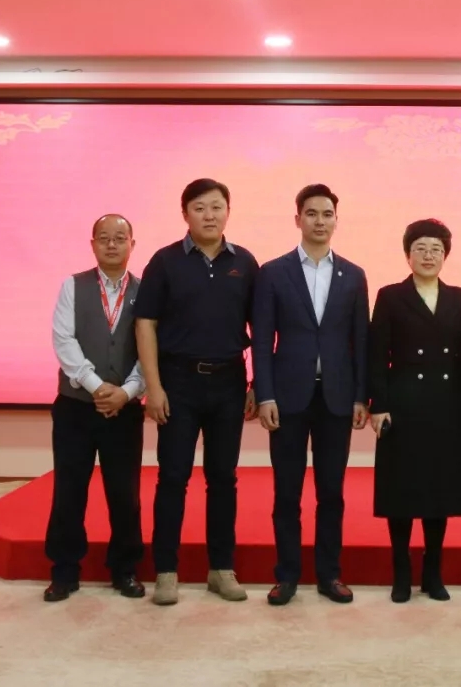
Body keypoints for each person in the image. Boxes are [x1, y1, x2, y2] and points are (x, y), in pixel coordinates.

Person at [134, 178, 259, 606]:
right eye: (200, 207)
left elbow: (260, 327)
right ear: (185, 213)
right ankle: (166, 572)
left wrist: (257, 384)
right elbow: (145, 324)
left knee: (224, 478)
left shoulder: (245, 262)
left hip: (229, 383)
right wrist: (154, 387)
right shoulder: (165, 261)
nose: (209, 215)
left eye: (217, 207)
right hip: (178, 383)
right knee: (173, 477)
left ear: (228, 212)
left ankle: (221, 569)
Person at [251, 184, 370, 606]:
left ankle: (329, 574)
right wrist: (264, 395)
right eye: (312, 213)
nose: (320, 221)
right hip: (287, 398)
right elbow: (262, 340)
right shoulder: (273, 272)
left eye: (327, 214)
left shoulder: (353, 275)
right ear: (298, 218)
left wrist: (361, 397)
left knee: (331, 492)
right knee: (287, 492)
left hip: (336, 398)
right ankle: (286, 576)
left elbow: (360, 340)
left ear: (336, 220)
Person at [368, 219, 461, 603]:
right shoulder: (390, 296)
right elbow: (376, 355)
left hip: (447, 406)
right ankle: (401, 571)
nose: (429, 256)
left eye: (436, 250)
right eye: (421, 249)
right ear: (407, 254)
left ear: (445, 256)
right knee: (402, 490)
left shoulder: (459, 298)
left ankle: (433, 572)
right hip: (402, 407)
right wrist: (378, 404)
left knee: (438, 490)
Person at [44, 214, 146, 602]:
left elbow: (150, 347)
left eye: (120, 237)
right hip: (76, 408)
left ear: (132, 244)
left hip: (125, 409)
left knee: (125, 493)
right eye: (104, 238)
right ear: (93, 244)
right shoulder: (73, 285)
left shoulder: (146, 291)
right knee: (69, 490)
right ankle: (64, 571)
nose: (112, 244)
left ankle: (125, 569)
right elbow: (64, 340)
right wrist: (97, 386)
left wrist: (128, 391)